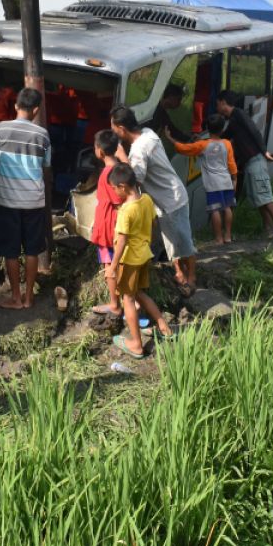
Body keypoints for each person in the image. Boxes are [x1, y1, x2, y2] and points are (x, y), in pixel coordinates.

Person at [110, 105, 197, 291]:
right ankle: (179, 273)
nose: (114, 132)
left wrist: (122, 157)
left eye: (114, 128)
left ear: (121, 128)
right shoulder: (148, 133)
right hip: (167, 197)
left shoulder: (138, 151)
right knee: (170, 239)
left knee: (182, 240)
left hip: (171, 199)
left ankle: (192, 277)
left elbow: (134, 180)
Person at [0, 87, 52, 311]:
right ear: (36, 110)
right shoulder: (42, 134)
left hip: (7, 199)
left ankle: (15, 297)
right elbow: (46, 168)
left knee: (11, 250)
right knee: (33, 249)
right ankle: (29, 297)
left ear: (15, 106)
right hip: (34, 200)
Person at [107, 163, 175, 360]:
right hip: (144, 254)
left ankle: (136, 344)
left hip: (129, 260)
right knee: (138, 293)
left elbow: (122, 241)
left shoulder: (126, 211)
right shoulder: (146, 199)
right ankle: (163, 326)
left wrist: (112, 266)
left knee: (127, 299)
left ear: (122, 186)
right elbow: (153, 223)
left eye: (114, 188)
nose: (114, 192)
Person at [216, 91, 273, 236]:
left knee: (264, 195)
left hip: (256, 159)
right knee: (257, 197)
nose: (217, 106)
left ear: (223, 102)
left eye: (217, 103)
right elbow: (225, 136)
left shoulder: (239, 114)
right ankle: (268, 227)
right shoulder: (233, 120)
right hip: (249, 163)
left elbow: (254, 131)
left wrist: (264, 151)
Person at [170, 113, 237, 244]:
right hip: (226, 180)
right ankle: (228, 236)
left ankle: (218, 238)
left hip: (213, 184)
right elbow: (231, 163)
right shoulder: (227, 144)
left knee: (215, 210)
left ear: (207, 128)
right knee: (227, 208)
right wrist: (234, 178)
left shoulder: (203, 145)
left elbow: (184, 148)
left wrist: (170, 138)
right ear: (222, 129)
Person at [89, 130, 123, 316]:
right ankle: (124, 300)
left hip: (108, 226)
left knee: (109, 265)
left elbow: (116, 202)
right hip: (117, 226)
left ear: (99, 151)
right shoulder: (121, 168)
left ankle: (114, 304)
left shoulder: (106, 174)